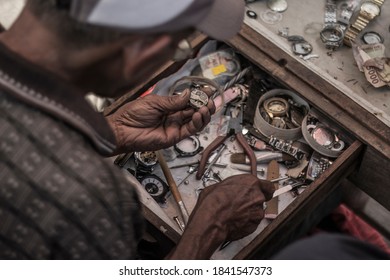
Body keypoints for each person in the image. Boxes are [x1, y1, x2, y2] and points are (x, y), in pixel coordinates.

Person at [0, 0, 274, 259]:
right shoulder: (92, 200)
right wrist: (212, 226)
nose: (184, 54)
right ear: (141, 52)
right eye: (179, 47)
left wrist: (112, 132)